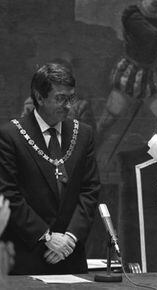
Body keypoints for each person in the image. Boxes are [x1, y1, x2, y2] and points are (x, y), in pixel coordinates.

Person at [0, 63, 100, 275]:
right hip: (28, 254)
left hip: (71, 254)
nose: (68, 106)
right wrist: (47, 237)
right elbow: (9, 195)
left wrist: (70, 237)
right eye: (60, 98)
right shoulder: (11, 136)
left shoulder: (83, 134)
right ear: (39, 96)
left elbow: (90, 190)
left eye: (71, 98)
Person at [97, 0, 157, 146]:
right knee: (107, 121)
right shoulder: (132, 17)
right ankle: (90, 152)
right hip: (130, 74)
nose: (155, 3)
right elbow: (151, 36)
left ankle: (149, 155)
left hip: (150, 77)